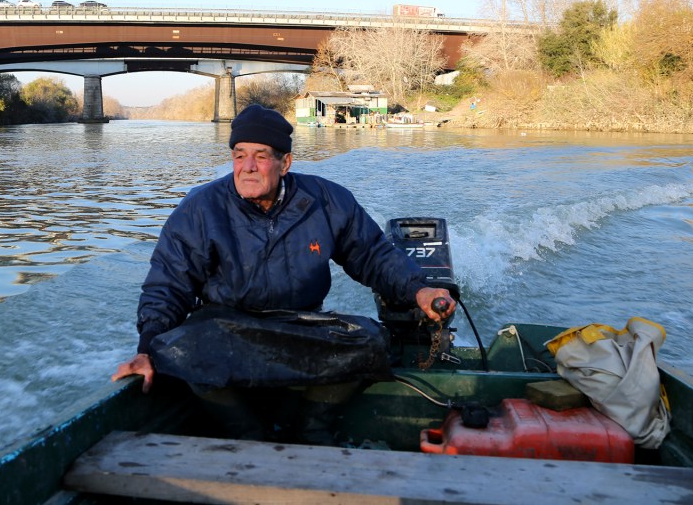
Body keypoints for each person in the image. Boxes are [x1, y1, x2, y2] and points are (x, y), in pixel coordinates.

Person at [112, 104, 455, 442]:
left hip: (299, 325)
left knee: (373, 340)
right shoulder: (200, 209)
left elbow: (373, 255)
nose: (247, 167)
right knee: (173, 346)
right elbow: (168, 285)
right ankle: (245, 431)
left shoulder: (326, 200)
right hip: (227, 328)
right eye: (239, 155)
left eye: (260, 156)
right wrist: (146, 348)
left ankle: (312, 425)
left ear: (285, 162)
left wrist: (418, 290)